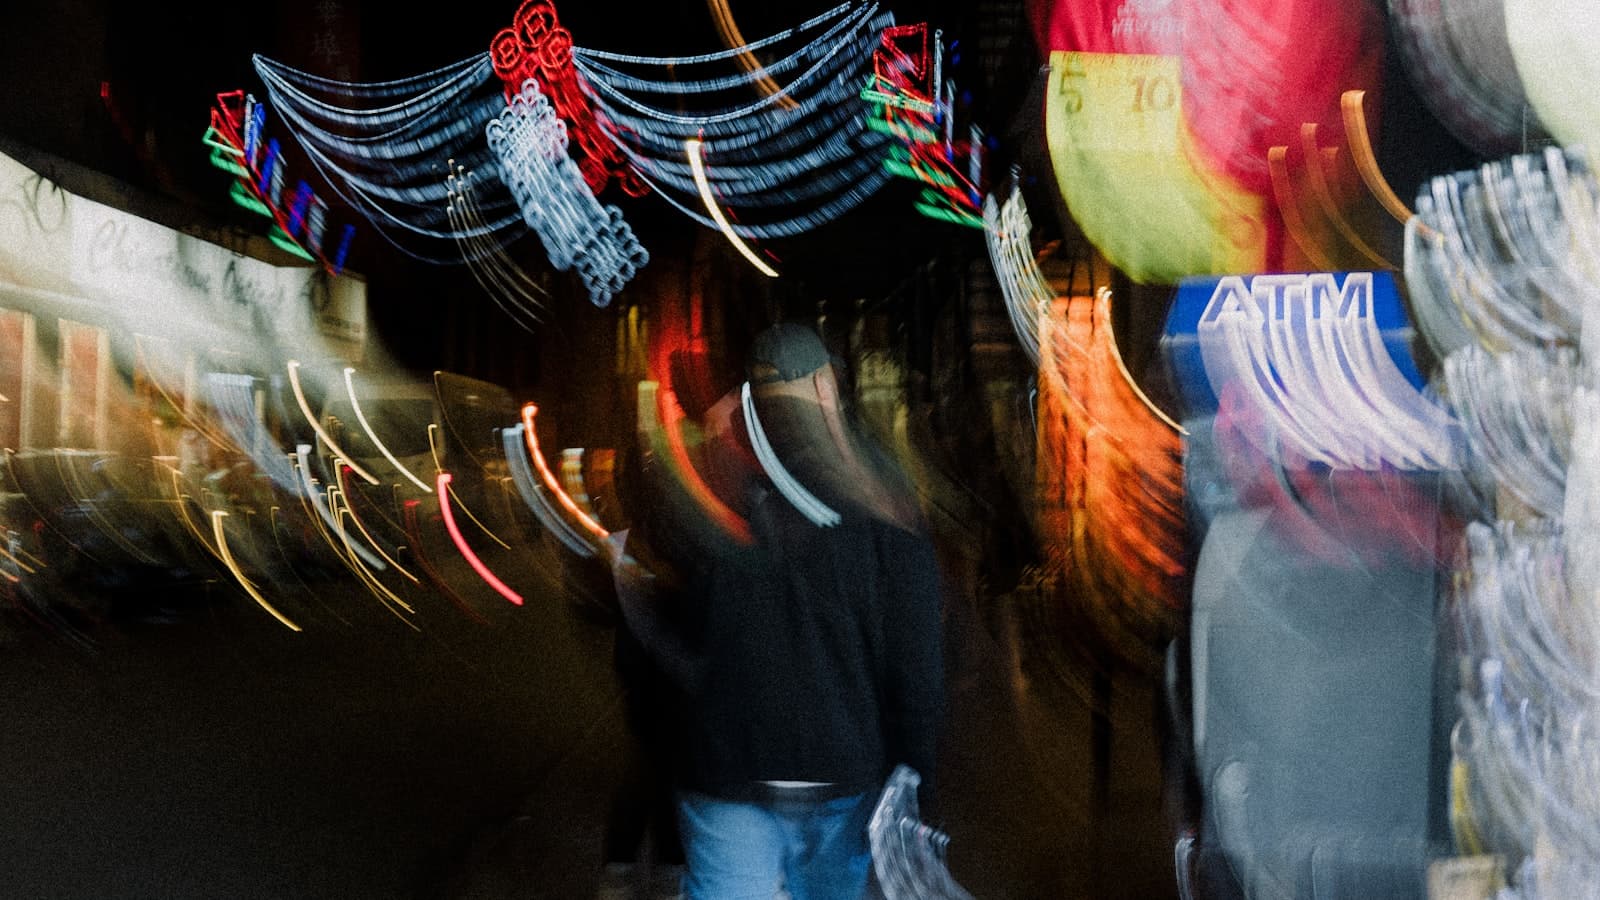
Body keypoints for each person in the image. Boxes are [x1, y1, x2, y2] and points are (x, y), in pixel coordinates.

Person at [615, 321, 946, 900]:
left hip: (725, 773)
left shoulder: (704, 483)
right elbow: (915, 658)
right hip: (841, 776)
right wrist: (917, 777)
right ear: (824, 386)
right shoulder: (877, 492)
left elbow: (653, 637)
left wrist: (676, 742)